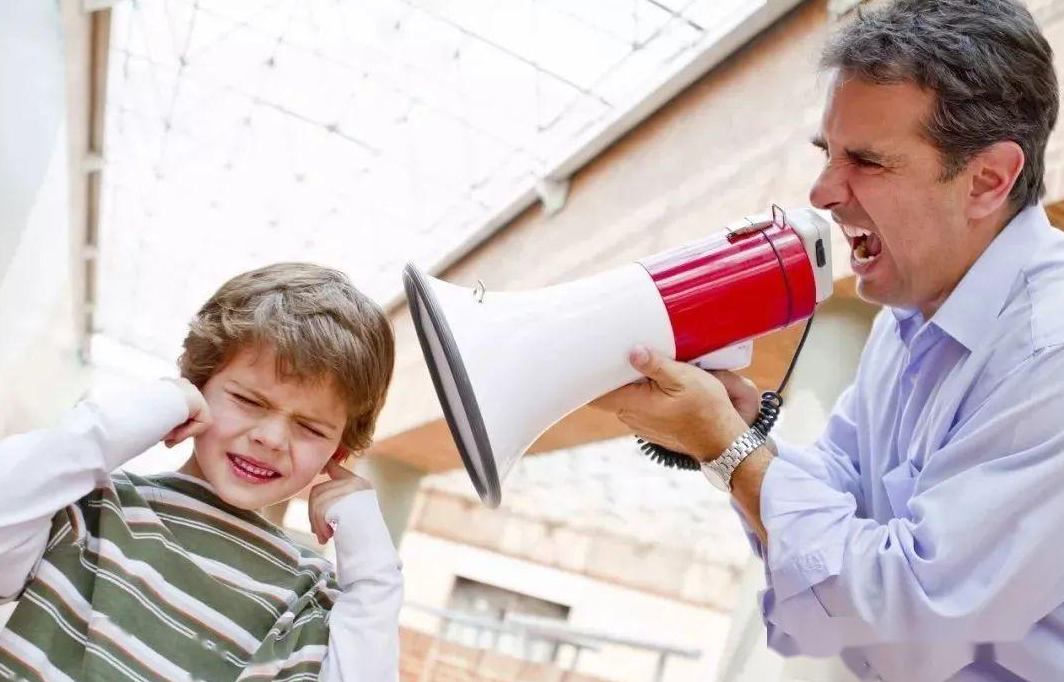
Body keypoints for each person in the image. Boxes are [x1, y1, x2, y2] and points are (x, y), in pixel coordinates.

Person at [593, 1, 1064, 679]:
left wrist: (725, 447)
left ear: (987, 180)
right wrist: (744, 427)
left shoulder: (1049, 351)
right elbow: (834, 502)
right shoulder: (906, 326)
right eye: (828, 154)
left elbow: (913, 613)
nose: (822, 191)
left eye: (867, 162)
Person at [0, 262, 402, 681]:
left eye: (309, 427)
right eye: (249, 400)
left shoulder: (311, 597)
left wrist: (373, 573)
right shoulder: (90, 511)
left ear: (337, 451)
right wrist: (142, 412)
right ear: (199, 383)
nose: (271, 438)